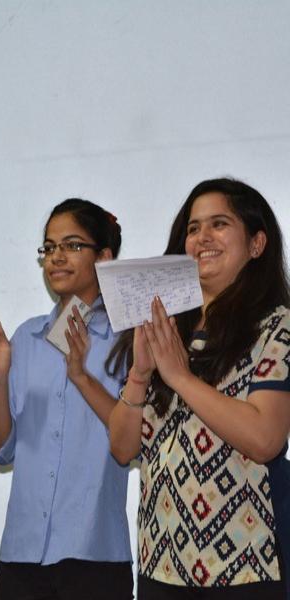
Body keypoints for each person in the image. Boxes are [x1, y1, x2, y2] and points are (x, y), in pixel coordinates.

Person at [108, 178, 290, 599]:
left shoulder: (277, 326)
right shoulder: (167, 329)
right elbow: (122, 449)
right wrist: (140, 374)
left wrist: (181, 378)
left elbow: (265, 439)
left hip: (246, 565)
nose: (202, 237)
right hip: (161, 561)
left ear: (257, 244)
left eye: (219, 224)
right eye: (193, 228)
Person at [0, 199, 133, 600]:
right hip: (22, 556)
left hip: (95, 551)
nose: (56, 257)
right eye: (49, 247)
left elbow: (134, 440)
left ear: (104, 257)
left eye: (72, 245)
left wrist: (83, 377)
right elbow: (2, 450)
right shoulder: (26, 338)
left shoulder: (128, 340)